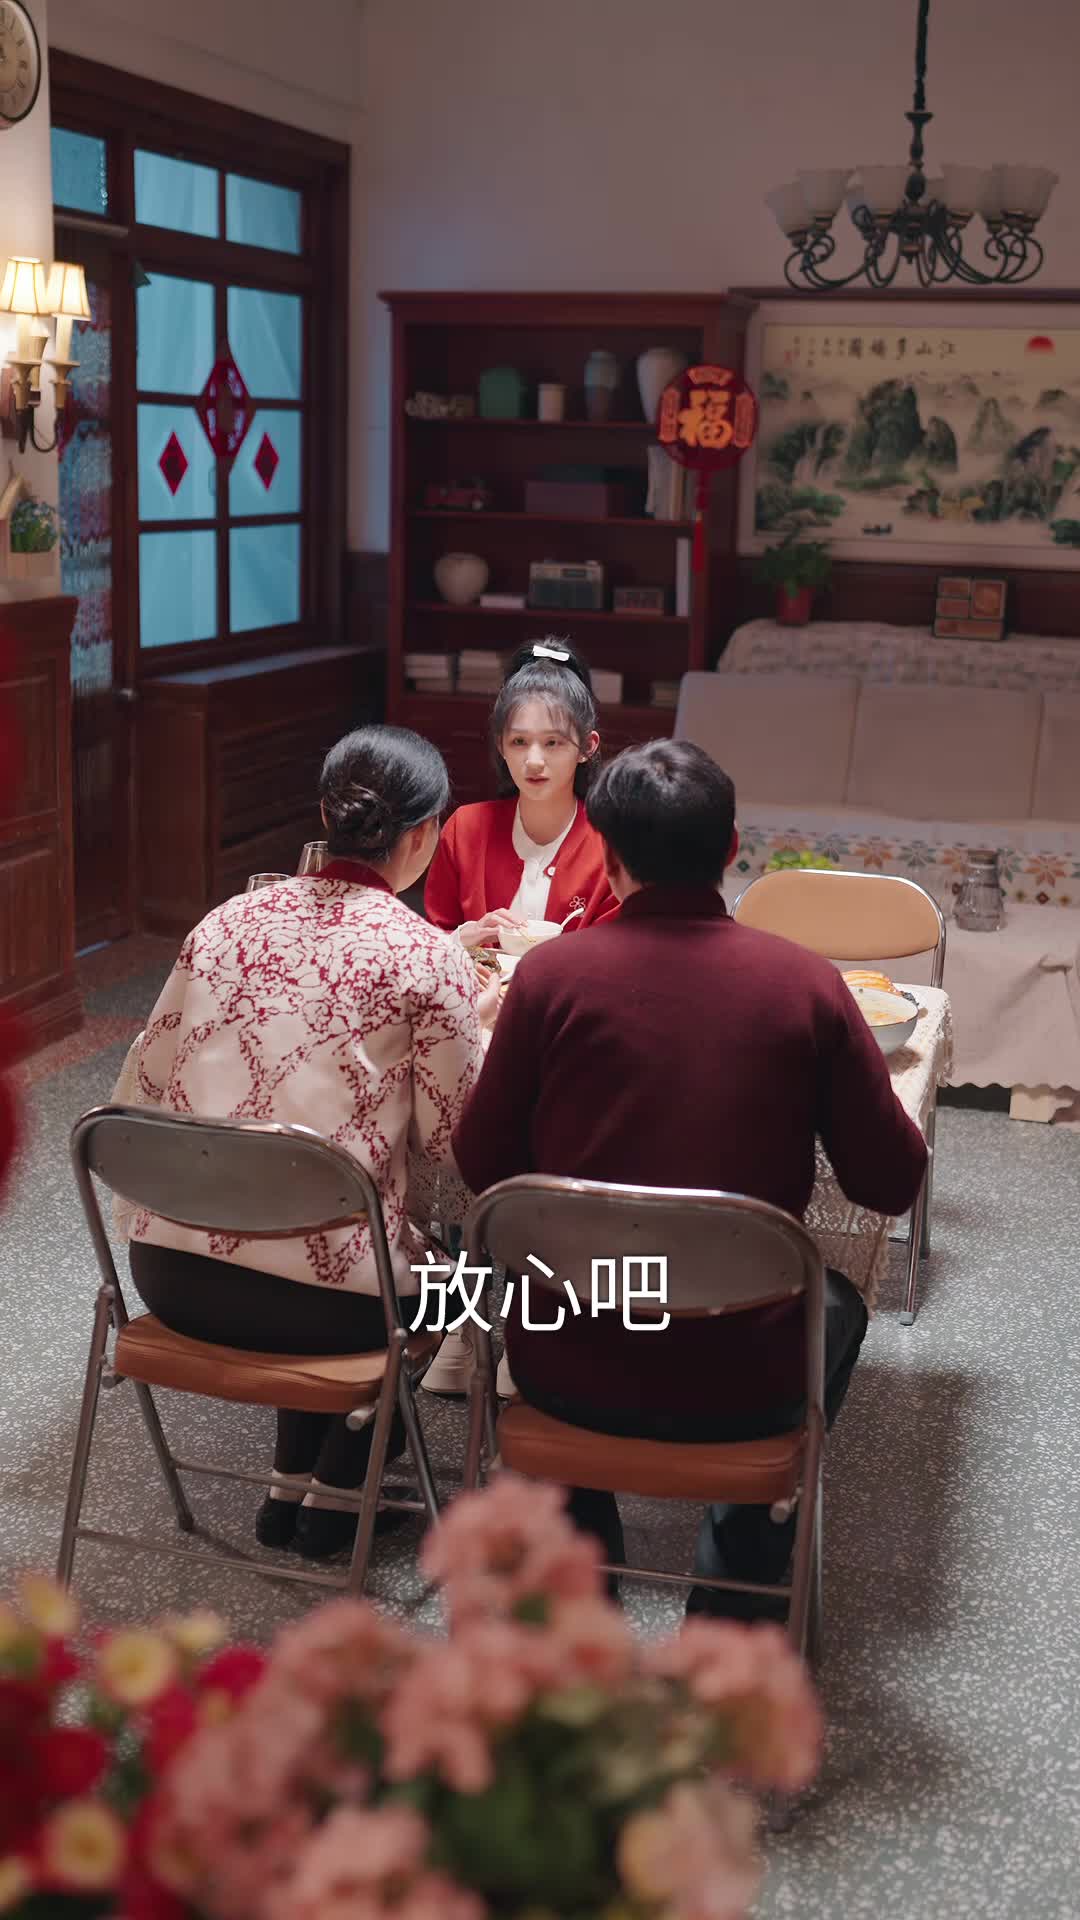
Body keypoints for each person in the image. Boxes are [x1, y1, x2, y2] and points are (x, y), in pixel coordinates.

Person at [452, 737, 928, 1616]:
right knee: (839, 1304)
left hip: (564, 1358)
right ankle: (738, 1570)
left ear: (608, 854)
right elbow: (890, 1181)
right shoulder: (805, 986)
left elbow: (482, 1166)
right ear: (732, 847)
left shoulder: (548, 980)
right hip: (743, 1373)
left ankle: (582, 1559)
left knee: (520, 1279)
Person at [126, 726, 491, 1559]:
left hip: (171, 1271)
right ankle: (342, 1489)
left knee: (314, 1211)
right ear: (425, 834)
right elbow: (455, 1150)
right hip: (329, 1302)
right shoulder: (424, 955)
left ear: (326, 814)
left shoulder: (224, 921)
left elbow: (145, 1083)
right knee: (466, 1279)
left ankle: (296, 1487)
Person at [424, 639, 619, 947]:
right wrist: (463, 938)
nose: (534, 761)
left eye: (552, 742)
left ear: (587, 746)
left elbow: (614, 954)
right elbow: (432, 941)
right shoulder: (465, 828)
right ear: (501, 745)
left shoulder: (612, 843)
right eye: (519, 742)